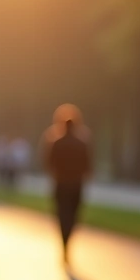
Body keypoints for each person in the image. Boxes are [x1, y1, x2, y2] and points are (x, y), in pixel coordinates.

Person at [42, 104, 92, 267]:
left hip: (61, 184)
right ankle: (67, 243)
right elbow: (88, 166)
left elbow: (48, 164)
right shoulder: (82, 143)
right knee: (73, 216)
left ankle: (65, 244)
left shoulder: (55, 142)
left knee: (62, 216)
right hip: (76, 185)